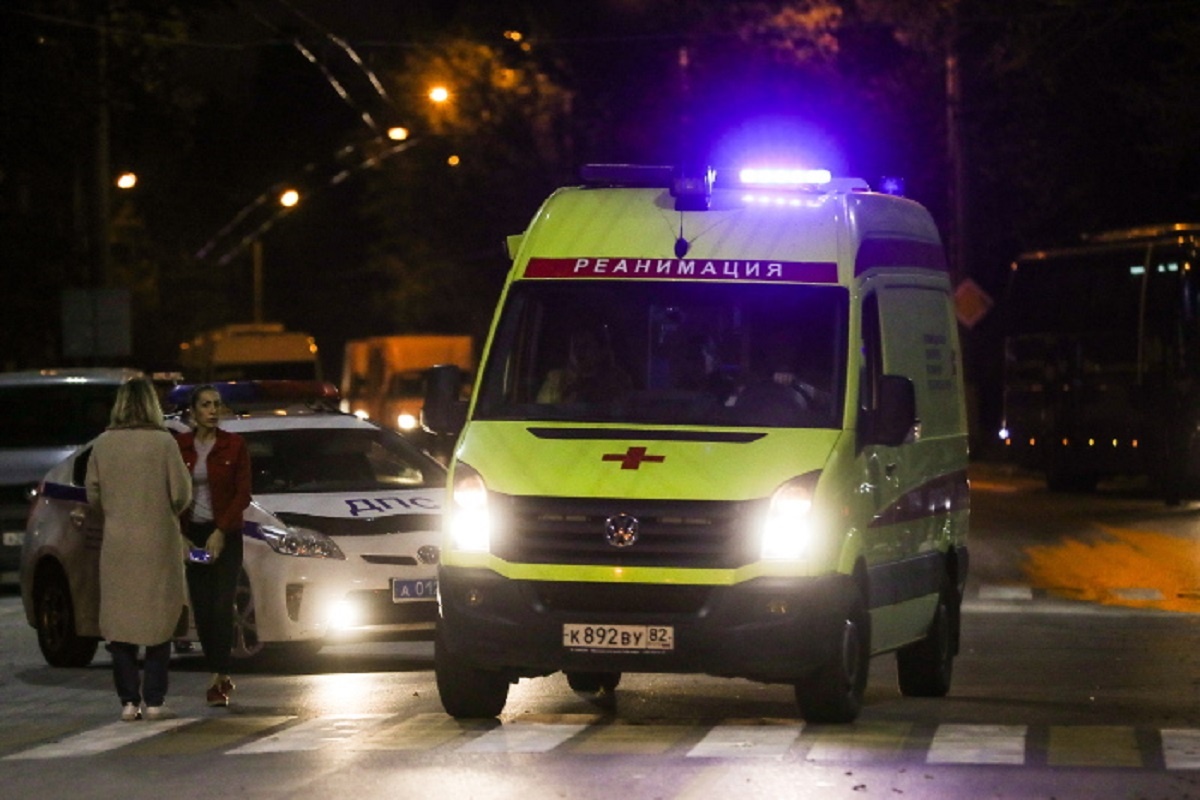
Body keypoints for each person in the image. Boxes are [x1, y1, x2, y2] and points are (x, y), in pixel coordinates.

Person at [86, 378, 193, 722]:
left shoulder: (103, 444)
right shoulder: (164, 443)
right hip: (158, 542)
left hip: (118, 544)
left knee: (120, 625)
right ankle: (155, 700)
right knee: (159, 621)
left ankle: (128, 702)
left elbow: (93, 494)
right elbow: (181, 493)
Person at [176, 384, 252, 707]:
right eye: (205, 405)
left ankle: (217, 677)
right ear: (193, 411)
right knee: (203, 607)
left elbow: (243, 493)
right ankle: (218, 671)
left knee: (222, 604)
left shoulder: (234, 445)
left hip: (226, 536)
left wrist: (221, 530)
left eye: (216, 404)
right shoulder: (180, 447)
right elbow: (170, 491)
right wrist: (180, 534)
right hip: (194, 535)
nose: (212, 410)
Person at [537, 328, 632, 403]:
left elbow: (621, 411)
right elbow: (543, 411)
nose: (578, 351)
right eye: (575, 345)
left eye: (585, 346)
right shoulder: (556, 379)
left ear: (601, 351)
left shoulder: (617, 380)